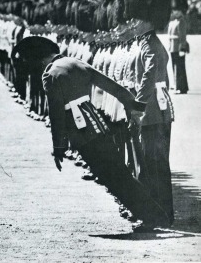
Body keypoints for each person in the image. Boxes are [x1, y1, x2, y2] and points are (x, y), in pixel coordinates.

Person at [12, 35, 172, 230]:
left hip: (81, 132)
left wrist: (59, 147)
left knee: (112, 177)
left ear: (40, 60)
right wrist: (134, 106)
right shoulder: (75, 62)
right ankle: (154, 215)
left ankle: (152, 217)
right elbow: (113, 86)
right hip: (98, 124)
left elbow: (56, 115)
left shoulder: (50, 74)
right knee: (119, 174)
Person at [125, 0, 175, 231]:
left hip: (152, 114)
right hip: (152, 113)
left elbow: (147, 81)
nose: (132, 23)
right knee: (151, 165)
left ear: (147, 19)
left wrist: (136, 109)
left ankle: (156, 216)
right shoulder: (146, 44)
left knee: (153, 165)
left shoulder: (152, 46)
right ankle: (158, 214)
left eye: (136, 19)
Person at [168, 0, 189, 94]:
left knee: (179, 68)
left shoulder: (181, 21)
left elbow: (182, 36)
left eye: (176, 10)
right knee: (175, 67)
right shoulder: (174, 21)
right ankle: (178, 85)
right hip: (173, 47)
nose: (174, 12)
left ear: (180, 10)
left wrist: (182, 48)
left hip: (178, 48)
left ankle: (180, 86)